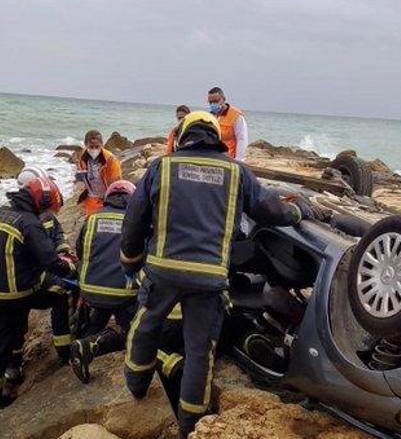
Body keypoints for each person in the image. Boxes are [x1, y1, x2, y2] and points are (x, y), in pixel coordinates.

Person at [120, 111, 318, 437]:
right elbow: (268, 212)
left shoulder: (161, 167)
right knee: (200, 349)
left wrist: (130, 263)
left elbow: (134, 222)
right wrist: (298, 211)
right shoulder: (236, 172)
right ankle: (189, 425)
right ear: (217, 138)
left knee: (145, 327)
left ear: (182, 136)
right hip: (209, 279)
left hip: (163, 273)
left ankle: (137, 386)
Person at [0, 177, 77, 411]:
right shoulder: (29, 222)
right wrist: (71, 267)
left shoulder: (1, 213)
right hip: (17, 293)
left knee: (1, 339)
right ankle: (64, 351)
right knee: (60, 295)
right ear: (40, 200)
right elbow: (49, 261)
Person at [68, 180, 138, 384]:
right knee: (132, 331)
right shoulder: (133, 222)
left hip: (90, 290)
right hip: (122, 293)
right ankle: (101, 343)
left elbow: (81, 252)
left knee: (100, 310)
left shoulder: (91, 220)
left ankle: (83, 343)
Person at [76, 130, 122, 216]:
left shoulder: (111, 160)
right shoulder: (83, 159)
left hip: (108, 200)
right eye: (91, 147)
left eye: (97, 147)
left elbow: (116, 184)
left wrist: (112, 201)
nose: (94, 149)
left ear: (102, 145)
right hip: (91, 199)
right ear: (86, 145)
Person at [207, 87, 248, 161]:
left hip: (230, 158)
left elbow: (242, 139)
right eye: (210, 102)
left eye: (216, 101)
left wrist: (239, 160)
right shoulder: (210, 116)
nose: (213, 104)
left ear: (223, 99)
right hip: (215, 157)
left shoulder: (236, 116)